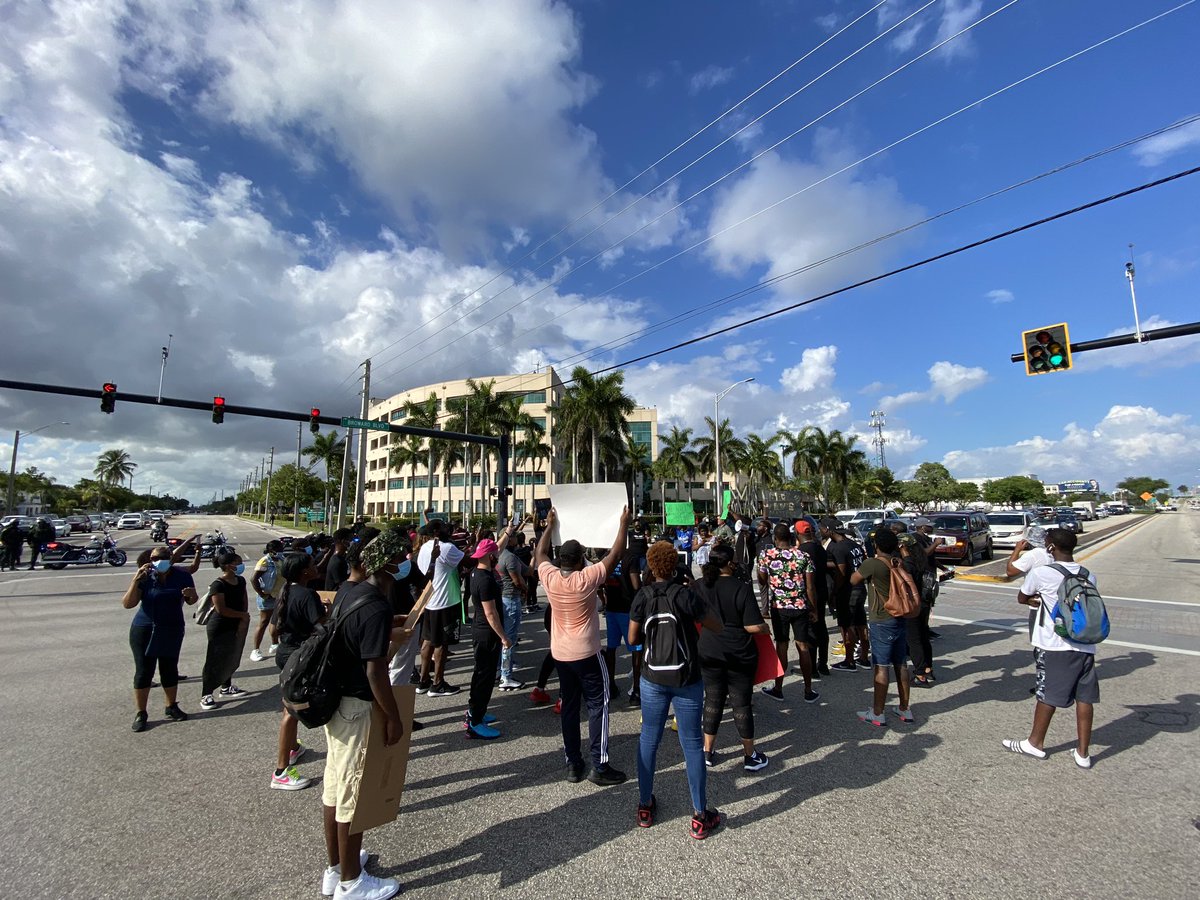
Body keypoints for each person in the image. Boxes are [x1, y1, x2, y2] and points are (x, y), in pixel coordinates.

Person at [318, 531, 406, 900]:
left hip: (336, 702)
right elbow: (375, 670)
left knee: (335, 788)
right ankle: (351, 883)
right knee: (353, 794)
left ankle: (337, 866)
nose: (404, 563)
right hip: (356, 707)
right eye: (399, 558)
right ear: (385, 565)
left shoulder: (350, 591)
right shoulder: (376, 606)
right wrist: (393, 716)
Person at [629, 540, 725, 838]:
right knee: (692, 744)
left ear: (650, 565)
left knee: (649, 739)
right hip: (686, 677)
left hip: (652, 677)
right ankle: (700, 814)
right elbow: (716, 624)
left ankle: (645, 805)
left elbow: (632, 638)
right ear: (675, 564)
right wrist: (693, 593)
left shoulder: (643, 596)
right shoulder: (685, 594)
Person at [534, 506, 629, 786]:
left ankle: (573, 762)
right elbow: (614, 556)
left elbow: (540, 555)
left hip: (560, 654)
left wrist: (548, 527)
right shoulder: (586, 579)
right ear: (579, 562)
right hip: (587, 652)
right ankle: (600, 764)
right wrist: (623, 524)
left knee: (570, 707)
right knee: (599, 704)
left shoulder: (550, 577)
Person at [1003, 528, 1098, 768]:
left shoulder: (1042, 573)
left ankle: (1035, 743)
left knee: (1047, 695)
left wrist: (1035, 599)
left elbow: (1022, 597)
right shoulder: (1088, 574)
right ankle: (1083, 753)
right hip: (1085, 644)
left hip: (1055, 643)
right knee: (1084, 698)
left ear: (1051, 547)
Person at [696, 543, 770, 772]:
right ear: (729, 564)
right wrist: (765, 628)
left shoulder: (699, 585)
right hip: (738, 652)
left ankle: (707, 751)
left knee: (712, 700)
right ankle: (750, 755)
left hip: (709, 649)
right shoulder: (741, 588)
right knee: (741, 703)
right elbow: (752, 626)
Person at [121, 544, 199, 731]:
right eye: (155, 558)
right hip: (144, 629)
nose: (159, 562)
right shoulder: (145, 576)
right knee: (144, 671)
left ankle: (171, 706)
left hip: (171, 628)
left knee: (169, 668)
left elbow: (191, 600)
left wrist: (192, 595)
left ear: (171, 559)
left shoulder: (182, 575)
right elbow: (128, 604)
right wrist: (135, 581)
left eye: (163, 558)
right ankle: (141, 713)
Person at [270, 553, 326, 790]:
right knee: (292, 712)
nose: (316, 566)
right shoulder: (308, 595)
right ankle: (280, 771)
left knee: (288, 704)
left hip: (285, 652)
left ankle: (292, 748)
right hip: (300, 657)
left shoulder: (285, 591)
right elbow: (322, 627)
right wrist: (326, 612)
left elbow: (273, 629)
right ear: (304, 572)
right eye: (312, 565)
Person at [850, 527, 913, 727]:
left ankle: (878, 712)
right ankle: (905, 708)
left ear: (876, 544)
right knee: (901, 664)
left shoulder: (873, 564)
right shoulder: (898, 562)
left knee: (881, 666)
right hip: (900, 615)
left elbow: (854, 579)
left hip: (881, 618)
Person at [465, 523, 519, 739]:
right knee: (484, 678)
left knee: (480, 674)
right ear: (489, 557)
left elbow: (496, 546)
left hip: (481, 633)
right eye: (495, 554)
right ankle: (475, 723)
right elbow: (491, 613)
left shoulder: (476, 572)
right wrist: (504, 637)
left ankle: (474, 711)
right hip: (487, 634)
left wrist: (508, 532)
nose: (498, 556)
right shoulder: (486, 580)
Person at [757, 523, 819, 704]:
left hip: (779, 607)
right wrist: (814, 609)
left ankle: (778, 688)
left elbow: (762, 580)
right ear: (791, 537)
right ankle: (808, 690)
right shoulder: (803, 556)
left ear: (775, 538)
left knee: (782, 646)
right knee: (803, 647)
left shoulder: (767, 555)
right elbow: (810, 587)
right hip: (800, 606)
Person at [415, 520, 465, 696]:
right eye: (444, 526)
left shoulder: (424, 547)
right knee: (442, 644)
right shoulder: (447, 548)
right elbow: (469, 561)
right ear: (436, 531)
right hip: (445, 601)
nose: (448, 528)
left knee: (428, 640)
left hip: (430, 601)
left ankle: (423, 680)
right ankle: (438, 683)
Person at [200, 551, 252, 710]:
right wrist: (242, 616)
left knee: (231, 656)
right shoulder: (218, 585)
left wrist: (243, 618)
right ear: (229, 566)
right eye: (238, 562)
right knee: (214, 660)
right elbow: (221, 609)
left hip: (236, 623)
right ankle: (206, 694)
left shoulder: (240, 580)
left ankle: (226, 686)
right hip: (220, 626)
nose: (241, 565)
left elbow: (243, 601)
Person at [605, 557, 644, 706]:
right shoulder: (630, 558)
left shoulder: (607, 558)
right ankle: (636, 690)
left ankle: (610, 685)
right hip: (628, 610)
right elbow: (636, 584)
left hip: (611, 609)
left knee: (611, 648)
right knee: (636, 648)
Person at [795, 520, 831, 677]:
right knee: (821, 627)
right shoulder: (819, 548)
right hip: (822, 590)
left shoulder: (801, 552)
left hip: (808, 594)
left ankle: (811, 669)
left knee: (809, 631)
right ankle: (823, 664)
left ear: (798, 534)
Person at [496, 520, 528, 691]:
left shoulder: (497, 555)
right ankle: (506, 676)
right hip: (511, 598)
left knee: (503, 636)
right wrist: (525, 590)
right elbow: (518, 581)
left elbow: (527, 571)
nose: (517, 538)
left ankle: (500, 669)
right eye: (514, 535)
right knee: (509, 638)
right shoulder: (510, 557)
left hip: (501, 598)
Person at [250, 540, 285, 662]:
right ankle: (256, 650)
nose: (281, 551)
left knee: (276, 621)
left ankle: (274, 644)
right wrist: (261, 593)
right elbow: (253, 579)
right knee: (264, 622)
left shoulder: (281, 560)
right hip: (268, 597)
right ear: (272, 551)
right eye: (279, 549)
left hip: (279, 596)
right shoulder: (265, 561)